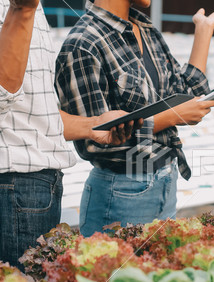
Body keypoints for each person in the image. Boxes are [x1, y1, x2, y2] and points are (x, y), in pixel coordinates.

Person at [55, 0, 214, 236]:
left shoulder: (146, 30)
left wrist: (204, 31)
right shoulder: (82, 44)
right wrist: (171, 117)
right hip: (121, 191)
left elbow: (186, 94)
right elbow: (94, 141)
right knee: (116, 272)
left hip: (166, 180)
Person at [0, 0, 141, 267]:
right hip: (14, 186)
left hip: (36, 185)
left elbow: (34, 113)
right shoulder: (22, 7)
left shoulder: (32, 8)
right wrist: (22, 10)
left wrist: (94, 125)